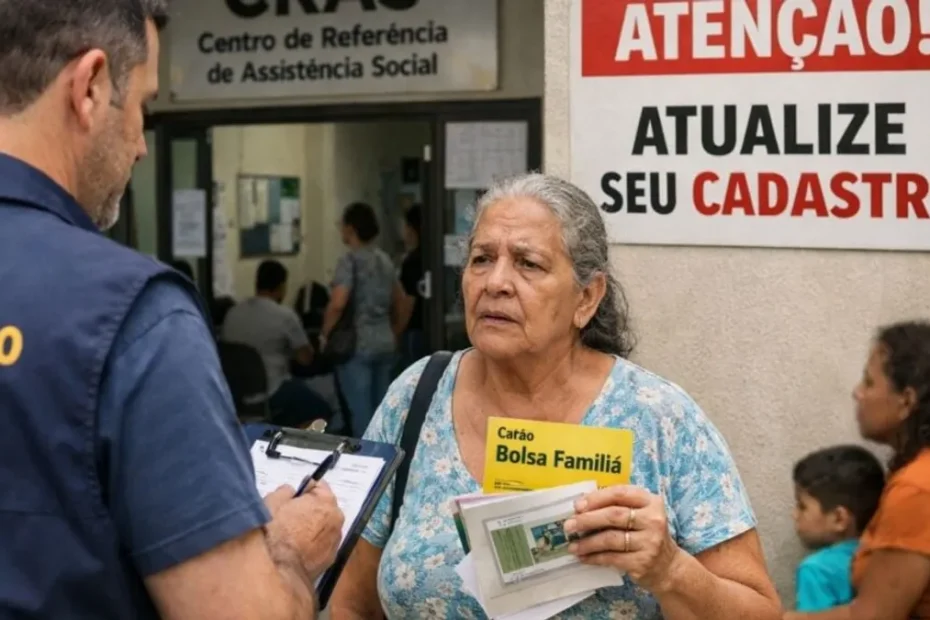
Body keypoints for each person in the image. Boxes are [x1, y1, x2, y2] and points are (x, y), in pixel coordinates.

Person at [0, 1, 343, 617]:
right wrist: (289, 553)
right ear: (90, 86)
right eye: (143, 106)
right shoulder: (134, 316)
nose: (140, 145)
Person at [330, 173, 781, 619]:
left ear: (587, 297)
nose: (496, 282)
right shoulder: (416, 395)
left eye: (528, 263)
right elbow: (353, 602)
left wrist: (669, 570)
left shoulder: (658, 417)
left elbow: (760, 611)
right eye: (482, 259)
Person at [786, 321, 930, 620]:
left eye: (869, 382)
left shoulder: (917, 489)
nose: (857, 393)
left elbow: (871, 617)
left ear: (906, 400)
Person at [320, 202, 406, 437]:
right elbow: (401, 302)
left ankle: (366, 466)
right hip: (384, 342)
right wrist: (394, 332)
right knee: (383, 414)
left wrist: (325, 333)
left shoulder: (349, 261)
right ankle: (387, 465)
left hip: (357, 346)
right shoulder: (385, 260)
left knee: (362, 415)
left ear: (350, 229)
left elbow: (338, 302)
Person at [223, 260, 334, 427]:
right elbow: (306, 359)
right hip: (272, 390)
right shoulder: (284, 316)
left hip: (235, 393)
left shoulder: (232, 313)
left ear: (257, 283)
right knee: (322, 411)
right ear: (282, 286)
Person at [791, 446, 885, 612]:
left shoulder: (815, 570)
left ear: (839, 518)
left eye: (802, 506)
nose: (794, 515)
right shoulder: (885, 558)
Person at [397, 203, 427, 368]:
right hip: (432, 329)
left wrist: (397, 332)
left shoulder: (412, 261)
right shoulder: (435, 255)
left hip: (415, 331)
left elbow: (408, 302)